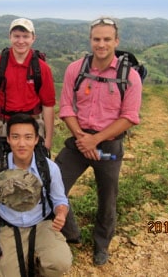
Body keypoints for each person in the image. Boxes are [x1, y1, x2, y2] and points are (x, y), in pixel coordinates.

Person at [55, 17, 142, 266]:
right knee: (53, 184)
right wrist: (83, 139)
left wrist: (96, 140)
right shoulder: (76, 69)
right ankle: (71, 234)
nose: (101, 44)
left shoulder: (130, 76)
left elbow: (130, 117)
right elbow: (65, 107)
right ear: (90, 40)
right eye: (96, 39)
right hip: (79, 139)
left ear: (116, 41)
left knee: (107, 198)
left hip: (109, 143)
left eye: (106, 39)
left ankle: (101, 245)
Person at [0, 114, 72, 277]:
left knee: (60, 262)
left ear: (36, 139)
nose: (22, 144)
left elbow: (60, 199)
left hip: (42, 223)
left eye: (28, 137)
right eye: (15, 137)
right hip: (10, 224)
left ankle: (40, 265)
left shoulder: (49, 168)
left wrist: (61, 213)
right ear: (8, 139)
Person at [0, 18, 56, 152]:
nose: (21, 41)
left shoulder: (42, 68)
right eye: (16, 36)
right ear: (10, 37)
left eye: (25, 36)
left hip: (33, 124)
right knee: (3, 168)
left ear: (33, 38)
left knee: (33, 169)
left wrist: (48, 140)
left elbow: (48, 105)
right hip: (3, 124)